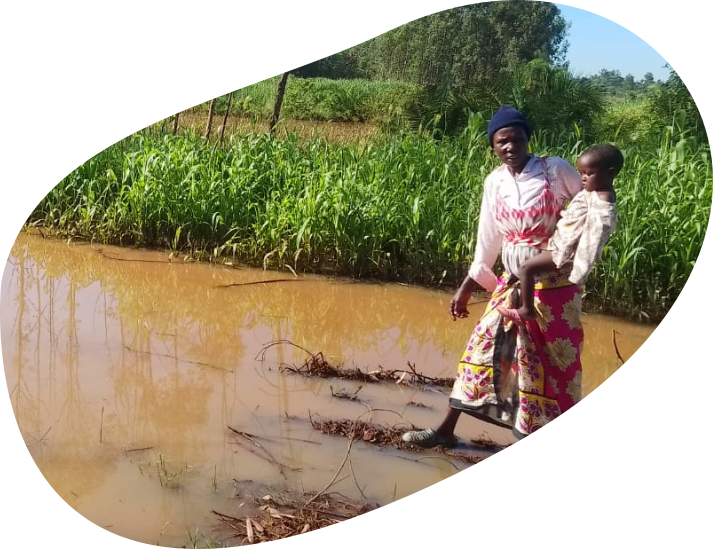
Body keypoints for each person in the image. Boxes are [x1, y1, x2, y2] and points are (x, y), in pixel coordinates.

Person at [402, 105, 584, 446]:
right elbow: (488, 238)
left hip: (555, 288)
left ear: (528, 139)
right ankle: (444, 431)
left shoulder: (555, 171)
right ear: (493, 147)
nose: (510, 147)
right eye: (502, 142)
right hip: (512, 283)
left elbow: (586, 212)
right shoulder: (495, 182)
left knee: (546, 369)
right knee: (482, 352)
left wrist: (571, 255)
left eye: (516, 139)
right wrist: (467, 287)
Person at [496, 144, 621, 324]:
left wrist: (581, 268)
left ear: (609, 174)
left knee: (526, 268)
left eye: (588, 173)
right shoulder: (592, 192)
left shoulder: (603, 200)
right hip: (558, 244)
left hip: (563, 252)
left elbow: (596, 234)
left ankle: (526, 310)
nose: (582, 178)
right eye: (581, 173)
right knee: (526, 267)